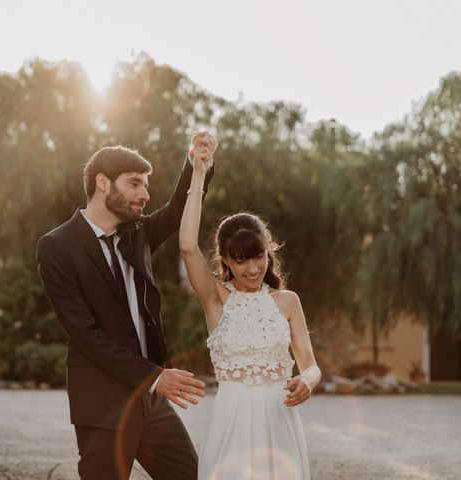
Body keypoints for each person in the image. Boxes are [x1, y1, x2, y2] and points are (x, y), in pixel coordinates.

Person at [36, 132, 216, 480]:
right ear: (103, 183)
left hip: (152, 403)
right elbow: (85, 334)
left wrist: (197, 165)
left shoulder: (139, 233)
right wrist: (155, 378)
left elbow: (180, 209)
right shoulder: (56, 246)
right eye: (135, 184)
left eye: (145, 185)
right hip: (103, 406)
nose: (145, 194)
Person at [179, 144, 321, 479]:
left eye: (258, 256)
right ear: (225, 259)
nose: (253, 268)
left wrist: (307, 381)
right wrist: (199, 172)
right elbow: (186, 245)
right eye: (240, 260)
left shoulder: (288, 301)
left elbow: (311, 365)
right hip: (232, 422)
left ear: (268, 252)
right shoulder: (216, 298)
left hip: (279, 421)